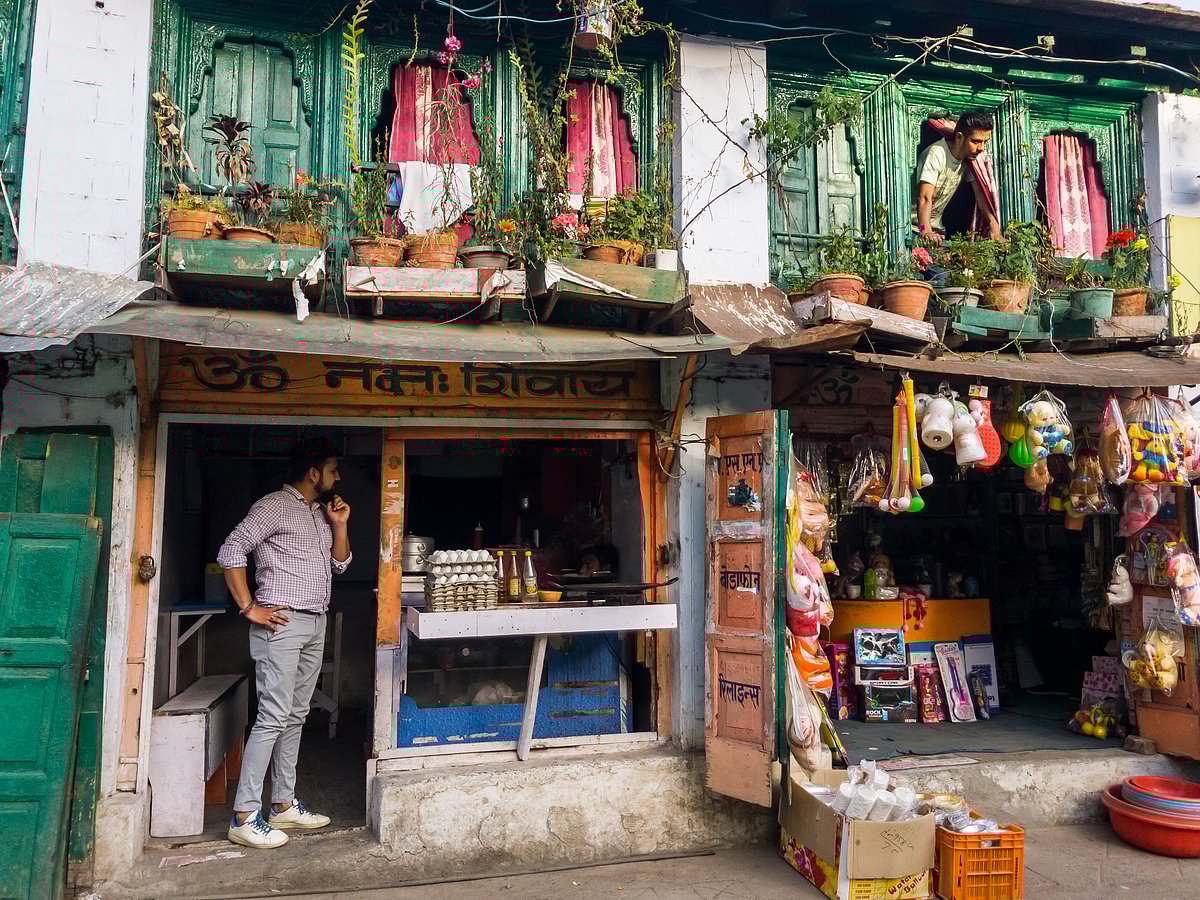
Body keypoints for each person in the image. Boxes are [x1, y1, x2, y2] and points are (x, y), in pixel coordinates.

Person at [217, 437, 352, 849]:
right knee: (273, 717)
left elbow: (341, 564)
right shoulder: (274, 505)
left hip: (315, 622)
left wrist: (340, 525)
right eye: (332, 469)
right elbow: (231, 551)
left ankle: (282, 803)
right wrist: (249, 607)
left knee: (296, 714)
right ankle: (244, 815)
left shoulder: (317, 513)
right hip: (282, 623)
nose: (338, 476)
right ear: (314, 474)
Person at [912, 110, 1001, 245]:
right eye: (976, 142)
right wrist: (925, 231)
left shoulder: (971, 160)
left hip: (937, 231)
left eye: (985, 142)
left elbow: (981, 196)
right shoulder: (937, 153)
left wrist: (994, 228)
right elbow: (924, 197)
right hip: (914, 229)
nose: (981, 148)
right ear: (959, 137)